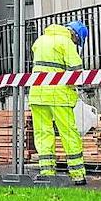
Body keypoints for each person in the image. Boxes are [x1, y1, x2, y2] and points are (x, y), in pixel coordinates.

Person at [29, 20, 88, 185]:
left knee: (43, 134)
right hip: (58, 96)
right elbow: (76, 71)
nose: (76, 44)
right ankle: (77, 175)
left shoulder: (40, 40)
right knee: (69, 133)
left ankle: (47, 173)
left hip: (37, 94)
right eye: (77, 41)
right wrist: (74, 87)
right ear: (75, 35)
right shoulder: (66, 42)